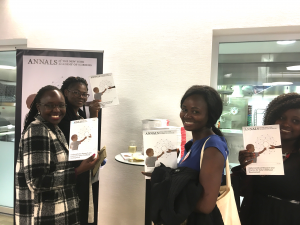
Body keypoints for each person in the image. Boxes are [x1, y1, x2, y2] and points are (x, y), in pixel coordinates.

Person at [15, 85, 99, 225]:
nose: (56, 110)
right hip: (45, 216)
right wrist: (78, 170)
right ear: (38, 106)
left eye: (61, 105)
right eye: (50, 105)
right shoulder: (38, 130)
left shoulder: (53, 128)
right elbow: (37, 181)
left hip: (59, 213)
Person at [233, 93, 300, 225]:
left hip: (289, 218)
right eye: (281, 118)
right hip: (254, 215)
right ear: (271, 117)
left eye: (296, 121)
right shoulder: (259, 150)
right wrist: (245, 168)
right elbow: (242, 190)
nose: (286, 124)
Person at [58, 76, 101, 225]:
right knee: (73, 211)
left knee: (82, 208)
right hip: (71, 170)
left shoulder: (81, 114)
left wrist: (93, 114)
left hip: (83, 168)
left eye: (84, 94)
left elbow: (89, 138)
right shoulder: (62, 117)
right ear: (66, 92)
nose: (81, 97)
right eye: (76, 93)